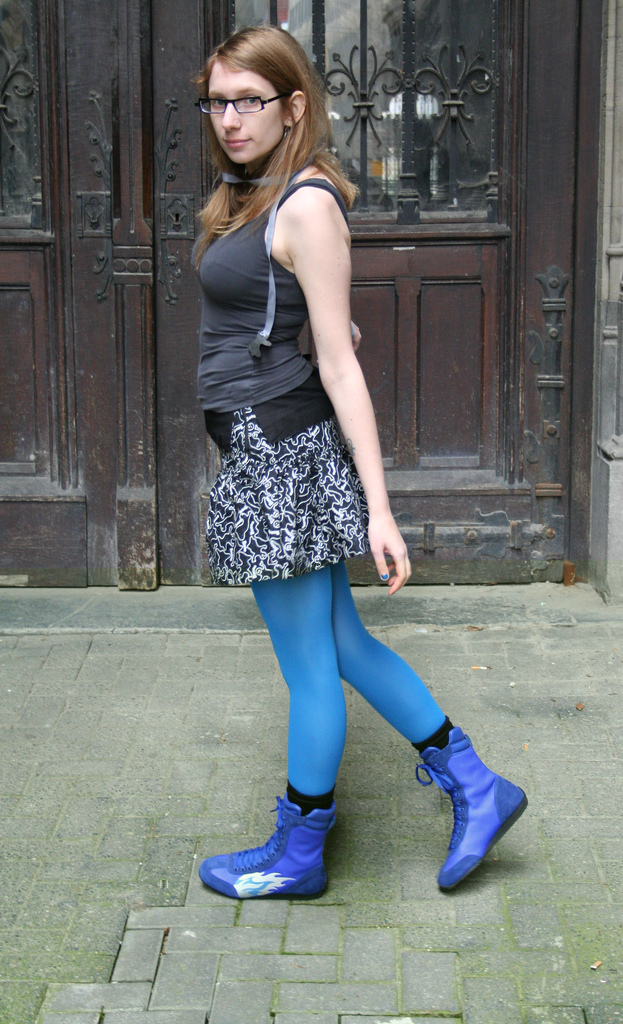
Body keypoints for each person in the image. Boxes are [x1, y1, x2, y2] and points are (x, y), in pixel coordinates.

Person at [193, 25, 527, 900]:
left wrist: (380, 511)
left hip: (277, 452)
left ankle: (298, 853)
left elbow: (342, 368)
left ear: (293, 105)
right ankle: (476, 785)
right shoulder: (257, 196)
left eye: (249, 100)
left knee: (310, 669)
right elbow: (312, 319)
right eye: (217, 101)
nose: (229, 118)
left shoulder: (304, 202)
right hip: (270, 441)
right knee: (341, 643)